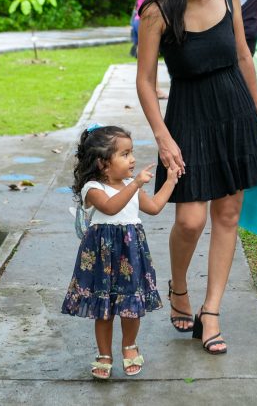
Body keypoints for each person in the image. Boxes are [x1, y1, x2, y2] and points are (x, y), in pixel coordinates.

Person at [136, 0, 257, 355]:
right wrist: (163, 138)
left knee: (227, 216)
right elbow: (146, 80)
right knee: (190, 221)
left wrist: (256, 109)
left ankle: (211, 313)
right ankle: (177, 286)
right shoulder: (157, 11)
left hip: (234, 112)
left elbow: (243, 54)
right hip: (187, 117)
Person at [61, 125, 179, 379]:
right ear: (103, 163)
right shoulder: (92, 188)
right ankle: (104, 354)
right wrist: (135, 184)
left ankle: (129, 346)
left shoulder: (129, 185)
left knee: (130, 305)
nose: (132, 159)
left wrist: (170, 181)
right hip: (103, 255)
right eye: (125, 154)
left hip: (131, 254)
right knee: (104, 308)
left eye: (131, 152)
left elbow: (155, 207)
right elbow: (111, 208)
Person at [130, 0, 169, 99]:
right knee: (152, 59)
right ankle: (156, 90)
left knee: (144, 59)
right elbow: (156, 4)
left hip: (137, 21)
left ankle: (150, 89)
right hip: (146, 23)